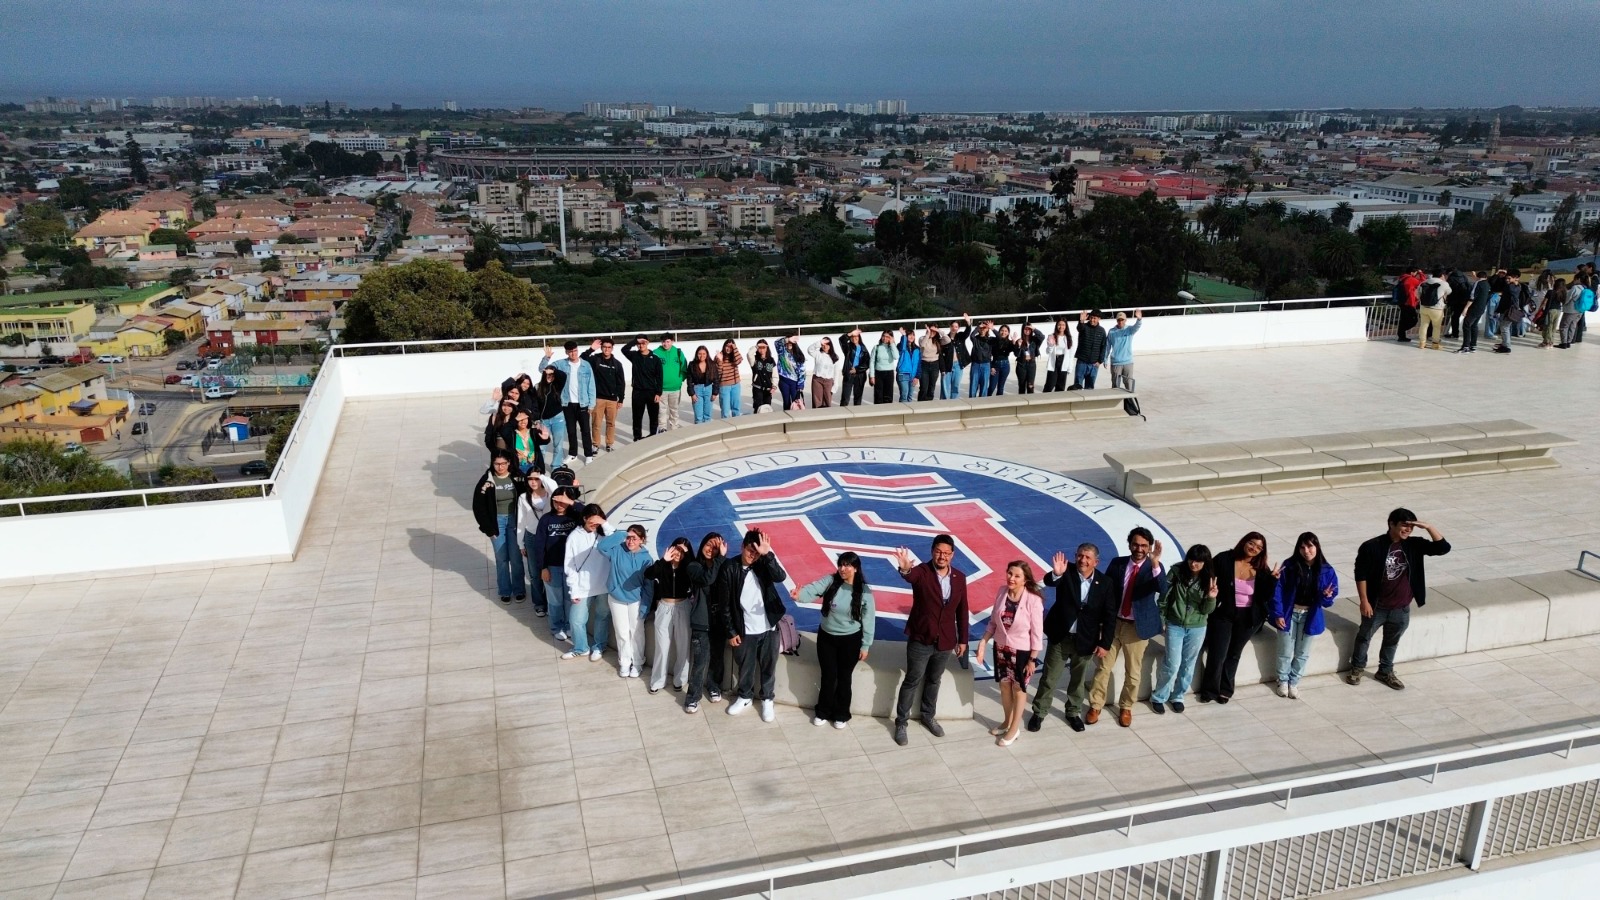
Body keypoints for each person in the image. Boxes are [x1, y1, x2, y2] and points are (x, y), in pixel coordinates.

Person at [1347, 509, 1451, 690]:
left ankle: (1385, 671)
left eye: (1411, 526)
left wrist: (1428, 527)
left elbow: (1443, 548)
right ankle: (1357, 668)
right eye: (1404, 525)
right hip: (1377, 606)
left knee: (1392, 641)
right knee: (1364, 637)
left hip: (1401, 607)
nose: (1408, 529)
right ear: (1391, 524)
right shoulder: (1372, 546)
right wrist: (1364, 600)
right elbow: (1360, 574)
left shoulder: (1414, 545)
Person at [890, 535, 969, 746]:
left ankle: (928, 716)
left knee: (934, 680)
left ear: (952, 555)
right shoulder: (922, 572)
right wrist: (905, 569)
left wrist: (963, 640)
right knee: (912, 680)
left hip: (945, 641)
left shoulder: (959, 578)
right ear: (932, 551)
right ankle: (901, 723)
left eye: (946, 553)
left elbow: (962, 611)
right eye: (938, 551)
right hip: (921, 639)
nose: (942, 556)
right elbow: (910, 576)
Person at [1087, 527, 1166, 728]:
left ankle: (1126, 707)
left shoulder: (1154, 567)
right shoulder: (1118, 563)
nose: (1139, 549)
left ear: (1149, 547)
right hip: (1114, 624)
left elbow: (1163, 589)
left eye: (1144, 546)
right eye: (1136, 544)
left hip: (1136, 628)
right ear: (1129, 544)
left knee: (1133, 671)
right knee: (1103, 667)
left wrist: (1155, 563)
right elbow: (1106, 591)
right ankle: (1096, 705)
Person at [1028, 543, 1110, 733]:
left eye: (1088, 557)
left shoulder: (1105, 583)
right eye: (1080, 555)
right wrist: (1056, 573)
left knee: (1078, 680)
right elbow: (1051, 581)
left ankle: (1073, 712)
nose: (1083, 560)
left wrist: (1104, 643)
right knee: (1050, 677)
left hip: (1086, 640)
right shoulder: (1066, 571)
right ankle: (1039, 712)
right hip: (1060, 637)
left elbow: (1109, 615)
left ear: (1095, 562)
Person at [794, 551, 876, 728]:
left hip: (850, 641)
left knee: (844, 678)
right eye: (840, 564)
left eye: (847, 565)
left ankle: (841, 714)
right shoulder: (831, 582)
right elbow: (813, 589)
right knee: (828, 676)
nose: (842, 568)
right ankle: (823, 711)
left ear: (855, 568)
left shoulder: (864, 592)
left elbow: (869, 620)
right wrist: (800, 595)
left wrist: (866, 645)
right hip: (827, 638)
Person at [1197, 532, 1276, 704]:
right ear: (1244, 542)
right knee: (1217, 653)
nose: (1254, 548)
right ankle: (1209, 690)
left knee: (1234, 654)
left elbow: (1265, 597)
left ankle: (1225, 689)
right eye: (1252, 543)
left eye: (1259, 547)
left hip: (1248, 618)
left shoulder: (1262, 568)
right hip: (1223, 614)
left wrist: (1273, 581)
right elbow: (1207, 576)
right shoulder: (1225, 559)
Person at [720, 529, 788, 722]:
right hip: (745, 630)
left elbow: (780, 576)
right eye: (750, 550)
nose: (753, 555)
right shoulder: (729, 568)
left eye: (757, 552)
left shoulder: (763, 563)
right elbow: (724, 604)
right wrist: (731, 631)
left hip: (769, 627)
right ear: (742, 546)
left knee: (768, 666)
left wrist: (767, 555)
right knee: (745, 666)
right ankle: (745, 696)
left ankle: (767, 698)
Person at [975, 561, 1045, 746]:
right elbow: (993, 622)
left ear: (1025, 580)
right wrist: (983, 642)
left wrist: (1032, 659)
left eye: (1017, 576)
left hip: (1022, 651)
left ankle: (1014, 729)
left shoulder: (1033, 600)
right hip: (1001, 648)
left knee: (1019, 689)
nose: (1011, 578)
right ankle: (1007, 721)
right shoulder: (1001, 592)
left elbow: (1037, 633)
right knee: (1005, 686)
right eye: (1009, 573)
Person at [1270, 532, 1339, 699]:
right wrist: (1278, 613)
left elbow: (1327, 601)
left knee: (1302, 653)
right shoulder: (1290, 566)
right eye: (1302, 547)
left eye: (1310, 546)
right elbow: (1277, 590)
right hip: (1289, 614)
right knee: (1285, 650)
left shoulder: (1327, 570)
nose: (1306, 550)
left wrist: (1327, 596)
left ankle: (1294, 681)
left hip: (1310, 615)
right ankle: (1283, 680)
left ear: (1317, 547)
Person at [1149, 545, 1217, 714]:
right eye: (1192, 559)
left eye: (1199, 561)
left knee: (1188, 664)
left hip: (1197, 627)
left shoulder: (1209, 578)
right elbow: (1164, 597)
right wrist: (1162, 619)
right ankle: (1159, 696)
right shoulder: (1177, 572)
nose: (1194, 564)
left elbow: (1207, 611)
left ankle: (1178, 696)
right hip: (1175, 624)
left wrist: (1210, 598)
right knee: (1172, 663)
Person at [596, 522, 654, 679]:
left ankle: (638, 663)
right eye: (628, 538)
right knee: (621, 632)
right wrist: (621, 534)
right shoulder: (617, 551)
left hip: (636, 601)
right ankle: (624, 662)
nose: (630, 541)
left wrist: (645, 607)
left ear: (642, 540)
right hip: (616, 598)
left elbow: (649, 586)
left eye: (634, 538)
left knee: (637, 633)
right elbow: (601, 548)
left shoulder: (647, 559)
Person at [472, 451, 529, 603]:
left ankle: (519, 589)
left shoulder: (517, 477)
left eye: (503, 463)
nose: (500, 467)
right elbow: (479, 506)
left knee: (516, 557)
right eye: (497, 464)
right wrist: (488, 529)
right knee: (501, 557)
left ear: (509, 463)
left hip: (514, 521)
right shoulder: (487, 481)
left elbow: (529, 495)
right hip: (497, 523)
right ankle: (504, 590)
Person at [529, 485, 583, 642]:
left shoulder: (575, 518)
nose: (559, 505)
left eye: (563, 501)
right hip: (552, 567)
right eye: (556, 501)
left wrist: (572, 503)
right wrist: (543, 568)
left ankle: (568, 625)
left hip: (571, 568)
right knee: (555, 601)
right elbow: (539, 547)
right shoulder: (546, 519)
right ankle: (556, 627)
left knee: (569, 599)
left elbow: (590, 514)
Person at [644, 537, 696, 695]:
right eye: (676, 549)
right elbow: (649, 574)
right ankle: (658, 680)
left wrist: (687, 557)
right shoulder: (663, 566)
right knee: (662, 646)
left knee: (683, 646)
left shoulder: (688, 568)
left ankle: (680, 679)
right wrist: (663, 560)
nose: (678, 553)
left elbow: (695, 574)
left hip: (683, 607)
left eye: (682, 551)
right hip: (664, 607)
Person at [685, 532, 730, 710]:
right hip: (701, 622)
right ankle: (692, 697)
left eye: (715, 546)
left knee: (717, 658)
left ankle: (714, 686)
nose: (711, 549)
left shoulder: (724, 566)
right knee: (700, 661)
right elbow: (707, 578)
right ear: (702, 544)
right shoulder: (694, 566)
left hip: (719, 621)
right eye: (708, 544)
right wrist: (720, 559)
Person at [562, 504, 612, 662]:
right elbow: (569, 565)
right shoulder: (574, 537)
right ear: (584, 518)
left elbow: (618, 539)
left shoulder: (605, 534)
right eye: (592, 522)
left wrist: (603, 523)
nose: (595, 526)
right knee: (576, 620)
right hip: (582, 587)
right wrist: (573, 589)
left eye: (598, 523)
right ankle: (581, 648)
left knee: (602, 617)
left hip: (604, 585)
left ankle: (599, 646)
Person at [512, 470, 559, 614]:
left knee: (551, 571)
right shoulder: (523, 497)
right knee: (534, 573)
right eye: (530, 479)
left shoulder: (551, 495)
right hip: (531, 537)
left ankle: (552, 604)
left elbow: (556, 488)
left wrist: (543, 476)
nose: (533, 482)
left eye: (536, 479)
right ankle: (539, 603)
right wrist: (520, 543)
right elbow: (521, 522)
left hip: (549, 537)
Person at [544, 341, 596, 463]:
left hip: (583, 403)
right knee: (571, 430)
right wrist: (547, 358)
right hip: (567, 403)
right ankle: (573, 454)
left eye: (575, 351)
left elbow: (591, 385)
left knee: (585, 431)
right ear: (567, 352)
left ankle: (588, 454)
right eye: (570, 351)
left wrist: (592, 403)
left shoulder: (586, 365)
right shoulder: (561, 364)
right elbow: (543, 369)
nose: (573, 353)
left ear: (577, 350)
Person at [582, 338, 625, 453]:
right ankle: (595, 444)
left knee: (611, 423)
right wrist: (591, 349)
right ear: (601, 348)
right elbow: (581, 359)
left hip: (612, 400)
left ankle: (609, 444)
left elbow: (621, 382)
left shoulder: (617, 364)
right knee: (596, 423)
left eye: (609, 347)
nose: (607, 349)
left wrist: (620, 399)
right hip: (598, 398)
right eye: (604, 347)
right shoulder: (595, 359)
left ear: (612, 349)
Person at [622, 334, 663, 440]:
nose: (641, 345)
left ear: (648, 343)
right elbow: (624, 349)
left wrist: (658, 393)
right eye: (638, 344)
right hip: (637, 392)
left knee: (653, 417)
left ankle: (653, 436)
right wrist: (635, 340)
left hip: (652, 392)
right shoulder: (634, 356)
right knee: (637, 417)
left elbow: (659, 377)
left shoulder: (655, 359)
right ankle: (637, 438)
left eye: (643, 343)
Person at [531, 366, 567, 468]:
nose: (549, 377)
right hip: (543, 421)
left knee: (558, 444)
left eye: (552, 375)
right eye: (547, 375)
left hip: (557, 418)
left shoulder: (557, 385)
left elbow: (563, 376)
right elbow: (535, 405)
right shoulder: (537, 387)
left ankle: (556, 466)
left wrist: (554, 370)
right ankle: (539, 467)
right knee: (541, 446)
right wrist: (536, 420)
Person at [654, 333, 690, 431]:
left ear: (672, 341)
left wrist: (679, 380)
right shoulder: (656, 353)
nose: (665, 344)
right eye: (663, 342)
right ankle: (662, 428)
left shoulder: (678, 352)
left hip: (675, 389)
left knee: (674, 410)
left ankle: (674, 427)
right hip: (661, 389)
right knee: (662, 410)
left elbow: (684, 367)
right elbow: (651, 370)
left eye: (668, 341)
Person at [503, 409, 549, 476]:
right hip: (519, 468)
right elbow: (503, 430)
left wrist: (546, 439)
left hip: (534, 467)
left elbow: (543, 440)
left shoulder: (533, 432)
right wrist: (515, 420)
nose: (523, 421)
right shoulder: (512, 434)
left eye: (525, 419)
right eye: (520, 419)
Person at [1105, 309, 1143, 390]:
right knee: (1115, 386)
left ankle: (1129, 402)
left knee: (1129, 384)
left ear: (1125, 320)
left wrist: (1139, 319)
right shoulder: (1111, 332)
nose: (1120, 322)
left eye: (1122, 320)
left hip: (1128, 362)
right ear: (1116, 320)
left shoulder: (1129, 329)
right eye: (1119, 320)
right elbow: (1107, 347)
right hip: (1116, 363)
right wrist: (1105, 359)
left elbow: (1137, 326)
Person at [1073, 310, 1110, 390]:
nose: (1092, 320)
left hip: (1094, 364)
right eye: (1091, 318)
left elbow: (1103, 347)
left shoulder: (1102, 330)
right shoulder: (1084, 327)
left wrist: (1100, 361)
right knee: (1077, 385)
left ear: (1099, 319)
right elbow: (1079, 328)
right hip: (1082, 362)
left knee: (1090, 388)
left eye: (1095, 318)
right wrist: (1081, 321)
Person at [1457, 270, 1490, 353]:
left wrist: (1466, 308)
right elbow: (1479, 281)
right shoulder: (1487, 284)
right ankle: (1473, 345)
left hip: (1474, 307)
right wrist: (1474, 276)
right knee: (1474, 325)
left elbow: (1472, 296)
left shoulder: (1477, 283)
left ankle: (1465, 346)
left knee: (1466, 325)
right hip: (1481, 308)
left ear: (1478, 278)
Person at [1419, 266, 1452, 349]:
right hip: (1437, 309)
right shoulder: (1444, 283)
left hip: (1424, 307)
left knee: (1423, 325)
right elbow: (1449, 292)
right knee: (1436, 327)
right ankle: (1435, 344)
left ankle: (1422, 343)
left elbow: (1417, 294)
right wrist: (1444, 281)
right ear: (1442, 275)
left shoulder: (1424, 282)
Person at [1492, 270, 1523, 353]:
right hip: (1505, 310)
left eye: (1509, 278)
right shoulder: (1512, 286)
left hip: (1509, 311)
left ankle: (1506, 346)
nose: (1507, 280)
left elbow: (1507, 297)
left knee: (1504, 328)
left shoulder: (1513, 287)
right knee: (1505, 328)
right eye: (1506, 278)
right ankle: (1505, 344)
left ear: (1516, 278)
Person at [686, 345, 718, 425]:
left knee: (707, 416)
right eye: (700, 353)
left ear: (707, 354)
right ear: (697, 354)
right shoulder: (692, 365)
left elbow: (716, 379)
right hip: (697, 390)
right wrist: (692, 394)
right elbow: (689, 381)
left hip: (709, 389)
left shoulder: (712, 364)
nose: (702, 356)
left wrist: (715, 393)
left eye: (704, 353)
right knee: (698, 416)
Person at [939, 318, 970, 400]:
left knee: (956, 386)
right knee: (945, 387)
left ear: (958, 328)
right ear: (950, 327)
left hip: (958, 365)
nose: (954, 328)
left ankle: (954, 403)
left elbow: (967, 332)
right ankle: (944, 404)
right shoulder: (945, 338)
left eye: (956, 326)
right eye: (952, 326)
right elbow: (941, 354)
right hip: (947, 366)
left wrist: (968, 322)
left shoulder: (960, 337)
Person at [838, 328, 870, 407]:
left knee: (857, 399)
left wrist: (857, 369)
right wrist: (850, 333)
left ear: (859, 338)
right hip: (849, 375)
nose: (854, 338)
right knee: (845, 398)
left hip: (860, 376)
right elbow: (841, 339)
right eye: (852, 336)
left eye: (856, 336)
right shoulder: (848, 347)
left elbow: (867, 363)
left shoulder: (863, 349)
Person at [966, 315, 994, 398]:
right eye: (981, 328)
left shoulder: (990, 340)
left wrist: (991, 327)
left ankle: (982, 403)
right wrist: (978, 327)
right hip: (975, 364)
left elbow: (999, 338)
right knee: (973, 385)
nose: (982, 330)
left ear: (987, 329)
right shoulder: (975, 339)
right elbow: (971, 336)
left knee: (984, 385)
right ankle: (972, 402)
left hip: (986, 365)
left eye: (984, 328)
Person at [1042, 318, 1073, 392]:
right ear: (1056, 326)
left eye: (1063, 325)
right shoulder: (1051, 336)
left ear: (1066, 326)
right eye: (1059, 325)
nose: (1061, 327)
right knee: (1050, 384)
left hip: (1063, 361)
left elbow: (1071, 354)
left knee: (1061, 385)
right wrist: (1050, 346)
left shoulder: (1068, 338)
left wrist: (1070, 367)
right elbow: (1048, 351)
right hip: (1054, 360)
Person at [715, 339, 744, 418]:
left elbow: (739, 360)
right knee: (725, 410)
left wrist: (734, 347)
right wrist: (720, 361)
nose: (728, 348)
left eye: (730, 347)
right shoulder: (719, 356)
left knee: (736, 408)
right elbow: (718, 373)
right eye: (727, 346)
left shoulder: (734, 356)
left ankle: (737, 425)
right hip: (724, 386)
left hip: (736, 385)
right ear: (724, 346)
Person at [807, 336, 838, 408]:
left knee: (827, 400)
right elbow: (809, 350)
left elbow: (836, 373)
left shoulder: (835, 357)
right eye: (823, 345)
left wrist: (835, 385)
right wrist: (819, 342)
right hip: (817, 380)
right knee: (817, 401)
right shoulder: (818, 354)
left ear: (830, 345)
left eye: (827, 344)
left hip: (828, 381)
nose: (825, 346)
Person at [916, 324, 945, 401]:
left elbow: (948, 340)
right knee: (923, 388)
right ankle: (921, 405)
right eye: (930, 330)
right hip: (924, 364)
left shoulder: (938, 340)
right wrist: (928, 334)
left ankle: (929, 405)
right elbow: (922, 345)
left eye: (933, 331)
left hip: (935, 365)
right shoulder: (922, 338)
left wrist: (938, 330)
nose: (932, 332)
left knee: (931, 388)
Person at [777, 335, 806, 410]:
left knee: (796, 402)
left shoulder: (798, 355)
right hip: (784, 381)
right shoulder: (782, 352)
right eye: (788, 343)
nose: (789, 344)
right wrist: (788, 339)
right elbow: (777, 343)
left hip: (795, 383)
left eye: (791, 343)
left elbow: (802, 371)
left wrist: (800, 385)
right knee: (786, 402)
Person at [1013, 322, 1043, 394]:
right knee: (1022, 386)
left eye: (1029, 329)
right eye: (1025, 329)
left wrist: (1034, 328)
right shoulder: (1019, 340)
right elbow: (1016, 354)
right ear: (1022, 330)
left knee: (1030, 385)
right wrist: (1018, 346)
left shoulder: (1035, 340)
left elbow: (1042, 336)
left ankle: (1030, 402)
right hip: (1021, 365)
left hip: (1031, 364)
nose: (1027, 330)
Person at [870, 329, 899, 405]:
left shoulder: (892, 347)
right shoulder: (876, 347)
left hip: (889, 373)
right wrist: (872, 376)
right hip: (878, 373)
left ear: (891, 338)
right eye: (883, 336)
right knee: (878, 396)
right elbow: (872, 362)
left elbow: (896, 356)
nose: (885, 338)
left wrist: (892, 343)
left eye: (887, 337)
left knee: (888, 395)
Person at [1536, 275, 1564, 349]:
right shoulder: (1563, 293)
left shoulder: (1551, 292)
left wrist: (1539, 310)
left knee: (1548, 326)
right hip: (1558, 310)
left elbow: (1544, 302)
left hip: (1550, 310)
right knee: (1553, 327)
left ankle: (1547, 343)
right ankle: (1551, 342)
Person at [1396, 267, 1423, 343]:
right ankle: (1402, 332)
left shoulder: (1402, 278)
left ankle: (1401, 336)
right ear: (1412, 272)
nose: (1416, 274)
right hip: (1409, 303)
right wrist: (1421, 273)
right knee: (1414, 320)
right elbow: (1422, 283)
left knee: (1403, 320)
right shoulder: (1410, 279)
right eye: (1415, 273)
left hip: (1402, 302)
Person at [894, 326, 920, 402]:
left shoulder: (917, 349)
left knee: (910, 396)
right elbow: (902, 347)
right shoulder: (901, 346)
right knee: (904, 395)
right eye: (909, 335)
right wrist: (903, 335)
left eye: (913, 335)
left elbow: (919, 363)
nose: (912, 336)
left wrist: (917, 376)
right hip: (903, 374)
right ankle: (903, 413)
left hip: (913, 375)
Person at [1444, 267, 1472, 339]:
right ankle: (1468, 334)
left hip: (1455, 301)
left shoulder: (1451, 278)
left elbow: (1448, 290)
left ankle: (1455, 333)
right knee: (1466, 317)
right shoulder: (1464, 276)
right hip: (1465, 300)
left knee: (1455, 317)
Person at [749, 339, 776, 411]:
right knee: (758, 409)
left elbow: (775, 375)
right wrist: (756, 346)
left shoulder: (771, 360)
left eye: (764, 347)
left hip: (768, 389)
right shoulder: (754, 359)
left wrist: (774, 386)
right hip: (757, 389)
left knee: (767, 409)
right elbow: (749, 354)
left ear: (767, 348)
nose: (762, 349)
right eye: (760, 348)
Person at [990, 325, 1016, 396]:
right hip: (995, 365)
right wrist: (991, 366)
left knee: (1000, 388)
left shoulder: (1009, 342)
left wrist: (1014, 342)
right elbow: (988, 354)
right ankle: (986, 402)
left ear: (1008, 333)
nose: (1003, 332)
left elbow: (1016, 352)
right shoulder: (993, 341)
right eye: (1002, 330)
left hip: (1005, 366)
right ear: (999, 331)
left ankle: (999, 404)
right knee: (992, 387)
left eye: (1006, 331)